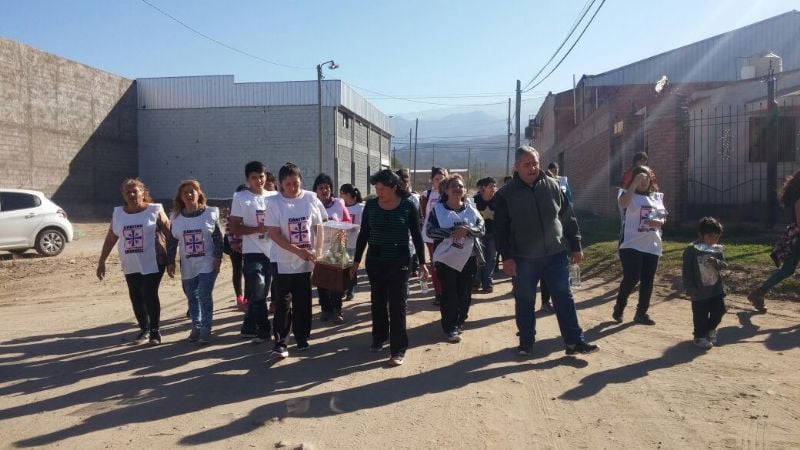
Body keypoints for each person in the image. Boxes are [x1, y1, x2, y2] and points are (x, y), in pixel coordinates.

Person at [495, 146, 598, 356]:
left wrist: (576, 245)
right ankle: (526, 342)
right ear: (516, 167)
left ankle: (574, 341)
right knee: (525, 300)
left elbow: (568, 217)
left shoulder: (552, 186)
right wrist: (506, 258)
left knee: (563, 295)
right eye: (527, 164)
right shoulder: (506, 194)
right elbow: (501, 230)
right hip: (524, 258)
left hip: (555, 254)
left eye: (535, 163)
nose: (532, 168)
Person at [352, 169, 429, 367]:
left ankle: (398, 348)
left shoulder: (408, 205)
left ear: (394, 187)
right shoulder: (370, 205)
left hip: (400, 259)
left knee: (397, 303)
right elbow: (363, 235)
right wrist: (355, 261)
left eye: (382, 188)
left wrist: (422, 263)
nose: (379, 192)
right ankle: (379, 338)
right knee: (377, 299)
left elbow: (417, 236)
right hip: (376, 259)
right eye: (376, 188)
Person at [97, 178, 171, 345]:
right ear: (123, 195)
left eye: (134, 191)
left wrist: (173, 259)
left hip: (154, 260)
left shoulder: (155, 210)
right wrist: (102, 260)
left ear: (142, 193)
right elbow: (111, 238)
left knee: (149, 293)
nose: (131, 194)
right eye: (127, 192)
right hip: (130, 262)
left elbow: (170, 234)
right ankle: (143, 328)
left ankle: (154, 331)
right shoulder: (118, 214)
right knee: (135, 295)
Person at [266, 162, 327, 358]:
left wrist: (316, 251)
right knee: (283, 301)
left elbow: (319, 227)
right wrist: (296, 251)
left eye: (296, 183)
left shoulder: (310, 198)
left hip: (306, 259)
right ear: (281, 184)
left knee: (303, 299)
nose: (293, 188)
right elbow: (274, 234)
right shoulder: (274, 203)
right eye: (289, 184)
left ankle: (302, 337)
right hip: (282, 259)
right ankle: (281, 342)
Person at [427, 174, 484, 343]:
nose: (457, 189)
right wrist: (452, 232)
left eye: (460, 186)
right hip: (446, 260)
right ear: (446, 190)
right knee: (450, 293)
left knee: (465, 293)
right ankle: (450, 327)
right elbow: (430, 231)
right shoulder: (437, 210)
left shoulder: (471, 208)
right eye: (453, 186)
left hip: (469, 258)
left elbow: (481, 229)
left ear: (464, 190)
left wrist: (467, 230)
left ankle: (460, 320)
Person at [166, 180, 223, 345]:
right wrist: (171, 262)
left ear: (199, 193)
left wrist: (218, 258)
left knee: (204, 293)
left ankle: (206, 328)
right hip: (188, 265)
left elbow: (218, 238)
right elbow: (171, 241)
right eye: (185, 192)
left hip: (208, 262)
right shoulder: (176, 218)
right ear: (181, 197)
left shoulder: (210, 214)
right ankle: (196, 326)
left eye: (192, 191)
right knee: (191, 295)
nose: (189, 195)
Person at [228, 161, 278, 344]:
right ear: (247, 179)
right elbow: (234, 226)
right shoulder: (241, 197)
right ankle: (264, 330)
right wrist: (255, 229)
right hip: (253, 251)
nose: (259, 180)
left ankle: (248, 327)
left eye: (261, 176)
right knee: (257, 289)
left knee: (263, 292)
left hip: (273, 250)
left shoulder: (275, 196)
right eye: (254, 177)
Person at [613, 165, 666, 325]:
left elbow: (662, 217)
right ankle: (619, 307)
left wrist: (658, 221)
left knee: (648, 279)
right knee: (632, 277)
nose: (644, 181)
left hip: (651, 244)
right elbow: (623, 204)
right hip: (630, 243)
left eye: (646, 178)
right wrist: (634, 184)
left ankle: (641, 313)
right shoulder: (626, 194)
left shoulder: (657, 197)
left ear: (651, 179)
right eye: (640, 178)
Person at [747, 170, 800, 312]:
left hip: (795, 237)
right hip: (797, 238)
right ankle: (758, 293)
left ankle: (759, 293)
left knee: (787, 270)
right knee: (787, 270)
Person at [682, 217, 727, 350]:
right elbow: (687, 271)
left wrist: (717, 263)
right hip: (699, 290)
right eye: (710, 236)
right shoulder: (691, 250)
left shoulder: (717, 249)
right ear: (700, 235)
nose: (713, 239)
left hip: (715, 288)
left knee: (720, 311)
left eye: (717, 236)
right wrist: (689, 288)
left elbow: (724, 265)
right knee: (700, 314)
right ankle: (699, 337)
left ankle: (709, 329)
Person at [313, 173, 352, 323]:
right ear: (316, 190)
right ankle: (325, 309)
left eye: (327, 187)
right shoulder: (312, 203)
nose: (324, 190)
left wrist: (341, 228)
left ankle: (337, 310)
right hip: (320, 247)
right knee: (322, 281)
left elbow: (348, 221)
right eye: (321, 187)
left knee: (336, 282)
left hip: (337, 246)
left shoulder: (339, 203)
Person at [420, 167, 448, 305]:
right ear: (432, 180)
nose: (440, 181)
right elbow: (424, 216)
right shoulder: (426, 195)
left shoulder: (450, 194)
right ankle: (439, 293)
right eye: (437, 179)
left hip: (447, 236)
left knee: (447, 264)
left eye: (442, 178)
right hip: (431, 236)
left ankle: (448, 291)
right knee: (435, 263)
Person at [223, 184, 248, 311]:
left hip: (250, 245)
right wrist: (233, 243)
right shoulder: (232, 208)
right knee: (237, 270)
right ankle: (239, 297)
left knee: (248, 271)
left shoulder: (252, 207)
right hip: (235, 245)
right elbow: (228, 228)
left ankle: (248, 298)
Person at [340, 183, 364, 301]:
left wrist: (356, 228)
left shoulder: (360, 207)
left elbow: (364, 225)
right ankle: (343, 289)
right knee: (341, 267)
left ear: (348, 194)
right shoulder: (340, 207)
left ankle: (351, 290)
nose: (341, 196)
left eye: (342, 194)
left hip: (354, 243)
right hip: (341, 243)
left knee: (352, 267)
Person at [473, 177, 497, 293]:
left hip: (494, 234)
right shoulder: (475, 200)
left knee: (491, 258)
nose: (493, 188)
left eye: (494, 186)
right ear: (483, 188)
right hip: (479, 234)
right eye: (491, 186)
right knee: (479, 258)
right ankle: (476, 281)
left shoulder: (499, 200)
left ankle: (487, 282)